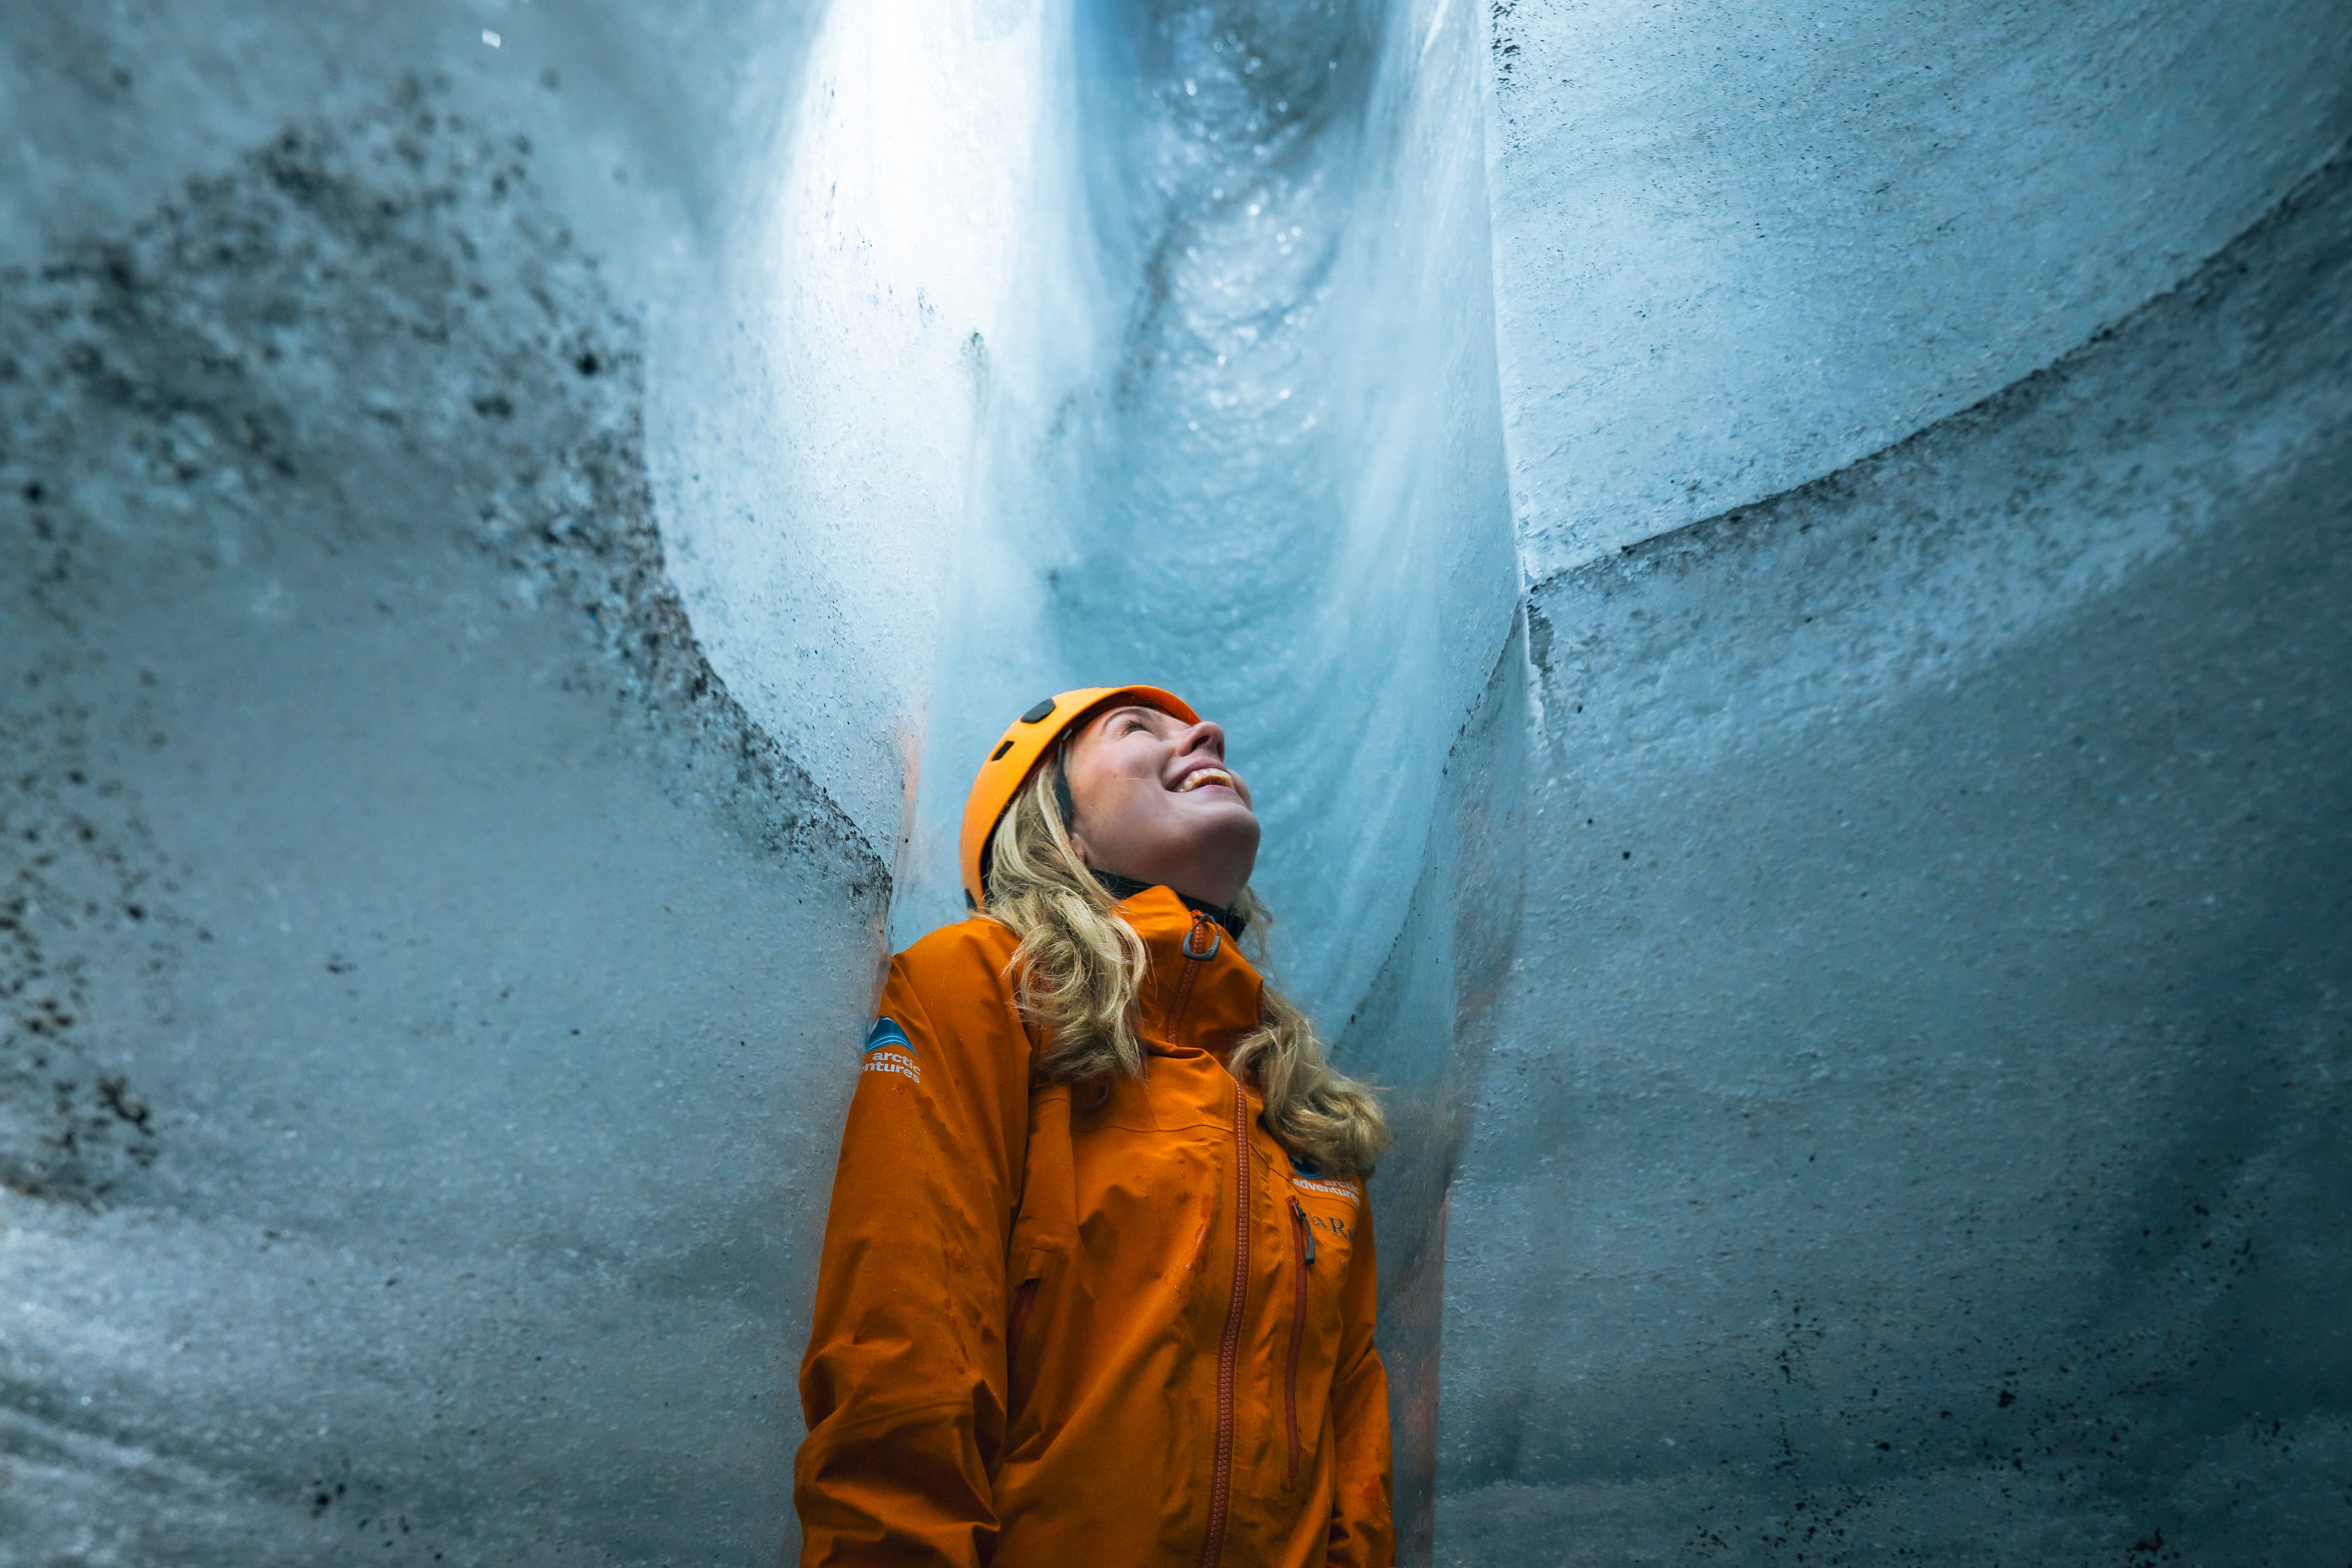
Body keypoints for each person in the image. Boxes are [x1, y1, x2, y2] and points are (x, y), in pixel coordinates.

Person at [795, 685, 1395, 1567]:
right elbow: (904, 1356)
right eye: (1137, 728)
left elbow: (1355, 1468)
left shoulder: (1300, 1110)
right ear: (1057, 827)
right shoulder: (979, 992)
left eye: (1191, 726)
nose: (1207, 734)